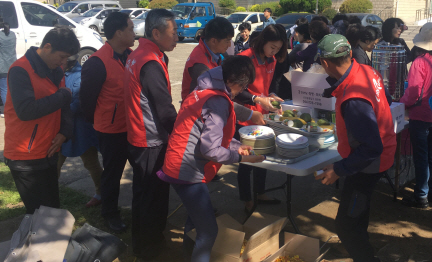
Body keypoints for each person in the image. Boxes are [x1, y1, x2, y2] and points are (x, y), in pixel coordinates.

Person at [157, 56, 265, 262]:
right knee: (208, 231)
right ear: (237, 82)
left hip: (179, 162)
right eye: (243, 85)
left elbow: (211, 135)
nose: (242, 90)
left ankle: (189, 256)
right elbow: (210, 149)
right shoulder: (217, 101)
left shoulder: (207, 88)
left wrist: (236, 145)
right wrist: (241, 159)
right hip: (185, 169)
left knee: (195, 220)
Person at [315, 34, 396, 262]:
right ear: (350, 54)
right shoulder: (367, 71)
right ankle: (363, 249)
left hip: (367, 165)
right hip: (381, 152)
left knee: (346, 224)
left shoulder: (353, 99)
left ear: (325, 63)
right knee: (359, 213)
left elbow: (371, 147)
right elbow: (386, 100)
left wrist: (339, 170)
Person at [4, 26, 79, 214]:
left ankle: (50, 242)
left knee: (52, 210)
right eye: (61, 57)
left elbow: (64, 107)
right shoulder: (20, 69)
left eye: (67, 59)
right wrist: (63, 96)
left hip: (49, 150)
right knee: (40, 215)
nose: (64, 63)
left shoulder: (55, 71)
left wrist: (65, 132)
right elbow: (26, 111)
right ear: (47, 47)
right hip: (25, 155)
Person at [123, 9, 178, 260]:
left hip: (139, 135)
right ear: (156, 33)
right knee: (152, 197)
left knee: (144, 194)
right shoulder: (150, 62)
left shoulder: (140, 54)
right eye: (173, 32)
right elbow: (165, 110)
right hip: (149, 140)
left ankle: (145, 242)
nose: (177, 37)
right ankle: (149, 247)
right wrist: (182, 136)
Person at [80, 12, 135, 233]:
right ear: (119, 32)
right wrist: (102, 120)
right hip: (111, 130)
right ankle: (110, 214)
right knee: (112, 174)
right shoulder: (97, 62)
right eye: (130, 28)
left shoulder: (132, 56)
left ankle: (139, 208)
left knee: (141, 170)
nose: (134, 33)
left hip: (134, 126)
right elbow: (87, 102)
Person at [237, 24, 287, 212]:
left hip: (263, 116)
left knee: (263, 155)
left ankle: (260, 192)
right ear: (263, 41)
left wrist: (272, 95)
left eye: (278, 49)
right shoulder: (245, 59)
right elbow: (236, 91)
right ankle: (246, 199)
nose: (274, 52)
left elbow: (271, 82)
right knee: (246, 160)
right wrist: (258, 99)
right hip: (244, 116)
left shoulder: (271, 60)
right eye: (272, 47)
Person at [58, 54, 103, 208]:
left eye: (63, 59)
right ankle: (49, 195)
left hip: (80, 128)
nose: (61, 62)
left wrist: (53, 108)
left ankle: (101, 193)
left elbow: (76, 104)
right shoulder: (57, 73)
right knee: (54, 163)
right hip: (60, 128)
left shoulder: (80, 76)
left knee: (91, 162)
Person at [400, 23, 432, 208]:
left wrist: (400, 104)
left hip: (420, 117)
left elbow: (413, 93)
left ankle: (421, 196)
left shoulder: (420, 62)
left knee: (421, 157)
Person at [0, 18, 16, 117]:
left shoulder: (0, 36)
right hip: (12, 64)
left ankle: (5, 111)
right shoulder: (13, 35)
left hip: (2, 66)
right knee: (9, 88)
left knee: (4, 89)